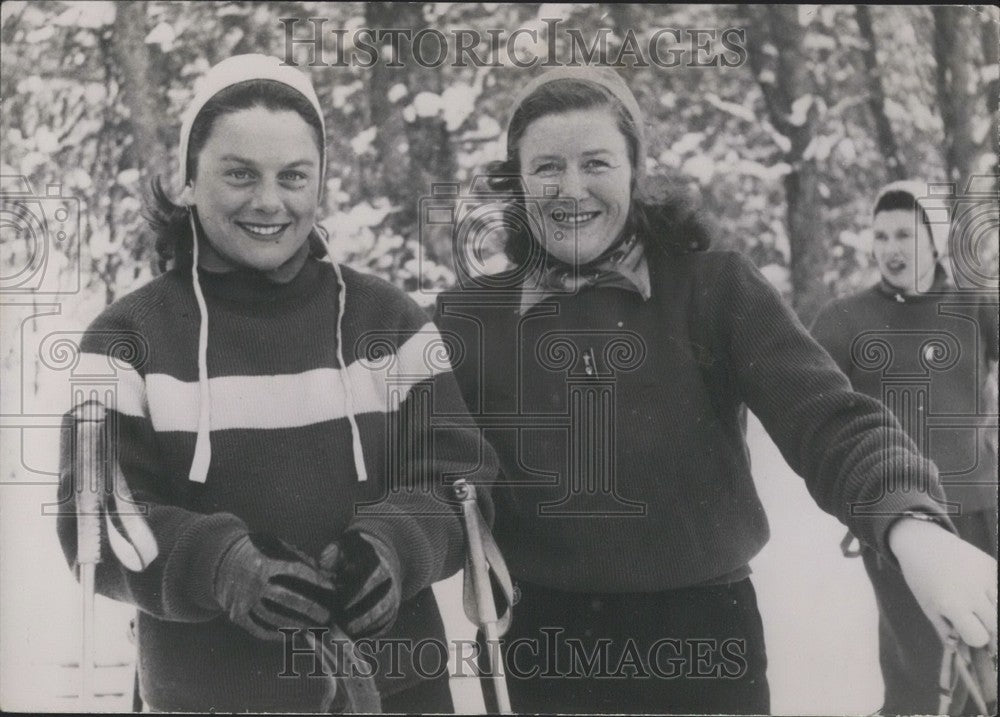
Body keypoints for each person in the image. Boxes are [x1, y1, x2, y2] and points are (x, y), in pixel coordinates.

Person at [433, 67, 998, 714]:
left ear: (634, 172)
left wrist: (911, 524)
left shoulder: (714, 289)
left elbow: (829, 419)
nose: (571, 189)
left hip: (705, 637)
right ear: (516, 182)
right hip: (545, 646)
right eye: (546, 168)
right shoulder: (469, 316)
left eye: (596, 162)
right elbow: (420, 469)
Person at [56, 54, 498, 713]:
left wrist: (396, 547)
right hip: (212, 694)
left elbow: (462, 488)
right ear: (187, 178)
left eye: (293, 176)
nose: (269, 201)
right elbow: (94, 519)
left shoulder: (388, 320)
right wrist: (222, 563)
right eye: (239, 174)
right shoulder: (126, 338)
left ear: (320, 182)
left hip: (395, 688)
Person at [811, 181, 999, 715]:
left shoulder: (973, 305)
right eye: (881, 235)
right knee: (921, 675)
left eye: (905, 235)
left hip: (980, 510)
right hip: (901, 520)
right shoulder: (845, 320)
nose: (891, 249)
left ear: (935, 241)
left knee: (986, 667)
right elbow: (795, 396)